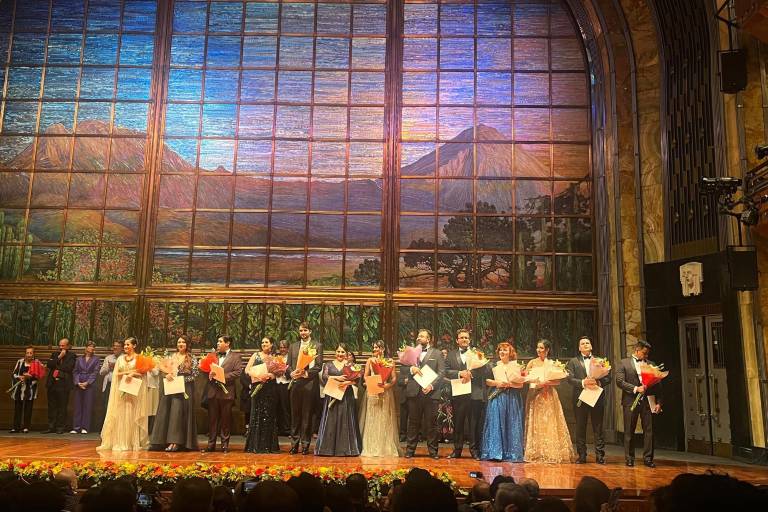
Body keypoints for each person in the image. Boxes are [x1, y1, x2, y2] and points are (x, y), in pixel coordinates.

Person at [524, 339, 575, 463]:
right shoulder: (532, 362)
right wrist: (535, 382)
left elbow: (557, 381)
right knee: (537, 422)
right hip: (536, 394)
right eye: (538, 347)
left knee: (550, 422)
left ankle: (551, 451)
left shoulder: (552, 363)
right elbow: (526, 378)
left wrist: (546, 382)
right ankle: (536, 452)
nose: (538, 350)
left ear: (547, 350)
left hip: (549, 395)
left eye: (541, 348)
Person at [616, 339, 662, 467]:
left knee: (649, 430)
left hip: (648, 401)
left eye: (647, 354)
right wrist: (636, 389)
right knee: (629, 430)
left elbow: (658, 386)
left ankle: (648, 458)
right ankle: (629, 458)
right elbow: (620, 382)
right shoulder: (624, 363)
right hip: (630, 400)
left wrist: (659, 402)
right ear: (637, 350)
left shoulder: (651, 364)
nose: (646, 356)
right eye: (644, 353)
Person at [98, 337, 149, 451]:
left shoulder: (139, 358)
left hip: (134, 392)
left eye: (128, 344)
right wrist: (128, 373)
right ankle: (120, 441)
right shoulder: (120, 359)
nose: (126, 347)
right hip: (121, 390)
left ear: (134, 346)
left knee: (131, 415)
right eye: (125, 345)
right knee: (121, 415)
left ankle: (132, 442)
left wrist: (133, 374)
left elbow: (143, 374)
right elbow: (116, 374)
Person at [565, 336, 610, 464]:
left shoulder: (600, 361)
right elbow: (569, 379)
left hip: (597, 397)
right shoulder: (573, 361)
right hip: (581, 397)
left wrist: (598, 382)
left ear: (591, 346)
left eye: (587, 343)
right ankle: (582, 455)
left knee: (598, 427)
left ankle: (600, 456)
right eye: (582, 343)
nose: (585, 345)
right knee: (580, 427)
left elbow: (608, 378)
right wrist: (583, 382)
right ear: (579, 348)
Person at [150, 334, 199, 452]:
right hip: (170, 388)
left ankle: (175, 442)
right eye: (179, 342)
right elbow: (164, 370)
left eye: (183, 342)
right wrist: (166, 375)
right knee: (167, 413)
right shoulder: (171, 356)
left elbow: (195, 374)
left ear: (187, 344)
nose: (180, 344)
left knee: (177, 414)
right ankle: (162, 441)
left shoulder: (192, 358)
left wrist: (181, 380)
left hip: (184, 389)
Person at [401, 328, 445, 459]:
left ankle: (433, 452)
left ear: (428, 339)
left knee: (431, 423)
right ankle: (410, 450)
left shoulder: (437, 353)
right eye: (418, 336)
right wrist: (411, 369)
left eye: (422, 336)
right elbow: (403, 369)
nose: (419, 338)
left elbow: (441, 373)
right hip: (414, 392)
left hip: (431, 393)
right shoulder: (410, 352)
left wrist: (431, 386)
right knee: (413, 422)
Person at [445, 329, 487, 459]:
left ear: (469, 340)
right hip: (459, 393)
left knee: (474, 424)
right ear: (457, 340)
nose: (464, 339)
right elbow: (446, 371)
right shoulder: (451, 354)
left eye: (466, 338)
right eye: (462, 337)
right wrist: (460, 373)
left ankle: (474, 451)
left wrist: (470, 374)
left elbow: (484, 369)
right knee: (458, 423)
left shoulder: (477, 353)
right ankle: (457, 450)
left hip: (474, 393)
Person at [315, 343, 362, 456]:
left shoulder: (351, 365)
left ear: (346, 353)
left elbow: (356, 380)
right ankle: (327, 449)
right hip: (331, 394)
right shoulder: (328, 364)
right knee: (331, 419)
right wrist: (337, 378)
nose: (340, 354)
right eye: (338, 351)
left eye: (342, 352)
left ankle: (346, 449)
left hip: (346, 396)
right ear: (335, 352)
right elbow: (324, 377)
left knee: (345, 419)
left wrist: (347, 383)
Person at [481, 341, 525, 462]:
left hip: (512, 398)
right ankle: (495, 452)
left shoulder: (516, 366)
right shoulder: (493, 365)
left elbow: (521, 384)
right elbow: (487, 381)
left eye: (505, 350)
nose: (502, 352)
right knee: (496, 422)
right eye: (500, 350)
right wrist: (498, 383)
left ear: (510, 353)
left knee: (511, 423)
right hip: (497, 396)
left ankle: (511, 453)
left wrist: (510, 384)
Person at [286, 322, 323, 454]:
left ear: (310, 331)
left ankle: (305, 444)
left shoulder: (317, 346)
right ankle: (294, 444)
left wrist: (305, 373)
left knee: (307, 415)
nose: (303, 333)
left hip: (309, 384)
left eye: (305, 330)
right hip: (295, 383)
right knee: (295, 415)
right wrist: (291, 373)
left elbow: (318, 366)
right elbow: (288, 365)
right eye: (301, 330)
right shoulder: (293, 346)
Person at [360, 340, 401, 456]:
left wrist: (388, 385)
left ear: (382, 349)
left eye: (377, 347)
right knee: (372, 416)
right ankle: (371, 446)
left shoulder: (390, 361)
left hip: (385, 391)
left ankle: (385, 447)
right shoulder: (370, 360)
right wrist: (371, 382)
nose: (375, 349)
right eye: (374, 347)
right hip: (373, 390)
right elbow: (365, 376)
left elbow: (394, 378)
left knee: (385, 417)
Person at [204, 334, 243, 453]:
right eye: (217, 341)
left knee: (226, 420)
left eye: (220, 341)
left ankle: (224, 444)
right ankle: (211, 444)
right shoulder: (212, 355)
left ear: (227, 343)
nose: (218, 343)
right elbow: (206, 370)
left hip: (227, 392)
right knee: (212, 420)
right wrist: (209, 374)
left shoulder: (235, 357)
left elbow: (238, 372)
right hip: (213, 391)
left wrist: (222, 376)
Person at [244, 336, 283, 453]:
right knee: (256, 414)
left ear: (271, 344)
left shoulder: (275, 358)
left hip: (270, 389)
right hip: (257, 387)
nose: (264, 344)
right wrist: (257, 375)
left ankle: (268, 446)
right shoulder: (255, 355)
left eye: (266, 342)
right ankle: (254, 445)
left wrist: (272, 375)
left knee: (269, 415)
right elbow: (247, 370)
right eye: (262, 342)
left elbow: (279, 373)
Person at [44, 338, 76, 433]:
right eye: (60, 345)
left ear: (68, 346)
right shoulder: (55, 354)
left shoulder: (72, 356)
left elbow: (69, 368)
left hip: (64, 385)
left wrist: (56, 365)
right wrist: (59, 357)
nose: (61, 347)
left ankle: (60, 427)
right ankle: (51, 427)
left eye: (63, 345)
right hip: (52, 384)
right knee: (52, 406)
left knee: (62, 407)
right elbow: (49, 365)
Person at [71, 340, 101, 434]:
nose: (92, 348)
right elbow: (75, 371)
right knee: (78, 406)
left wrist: (87, 382)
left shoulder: (96, 359)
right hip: (79, 383)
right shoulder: (79, 359)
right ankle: (76, 427)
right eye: (90, 346)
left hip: (89, 384)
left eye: (93, 347)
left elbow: (95, 372)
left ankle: (85, 427)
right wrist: (77, 382)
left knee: (87, 406)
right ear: (86, 347)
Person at [10, 346, 40, 433]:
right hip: (19, 389)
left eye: (31, 353)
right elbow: (14, 374)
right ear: (25, 354)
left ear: (33, 354)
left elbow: (38, 376)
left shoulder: (36, 362)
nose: (29, 355)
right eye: (27, 353)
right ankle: (16, 427)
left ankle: (26, 427)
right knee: (17, 408)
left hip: (30, 389)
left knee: (28, 408)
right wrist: (19, 377)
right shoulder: (20, 362)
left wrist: (30, 377)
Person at [98, 341, 123, 430]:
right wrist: (109, 367)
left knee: (118, 407)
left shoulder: (124, 358)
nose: (115, 348)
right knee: (106, 407)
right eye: (114, 346)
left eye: (117, 346)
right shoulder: (108, 358)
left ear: (122, 348)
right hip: (108, 385)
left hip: (119, 386)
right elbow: (101, 372)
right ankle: (105, 428)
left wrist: (116, 367)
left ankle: (116, 428)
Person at [276, 339, 291, 436]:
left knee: (286, 407)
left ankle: (287, 429)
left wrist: (284, 372)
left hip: (286, 384)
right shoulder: (276, 357)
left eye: (284, 347)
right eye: (281, 347)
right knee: (277, 407)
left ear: (288, 348)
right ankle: (279, 428)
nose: (282, 349)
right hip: (276, 384)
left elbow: (292, 371)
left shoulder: (291, 358)